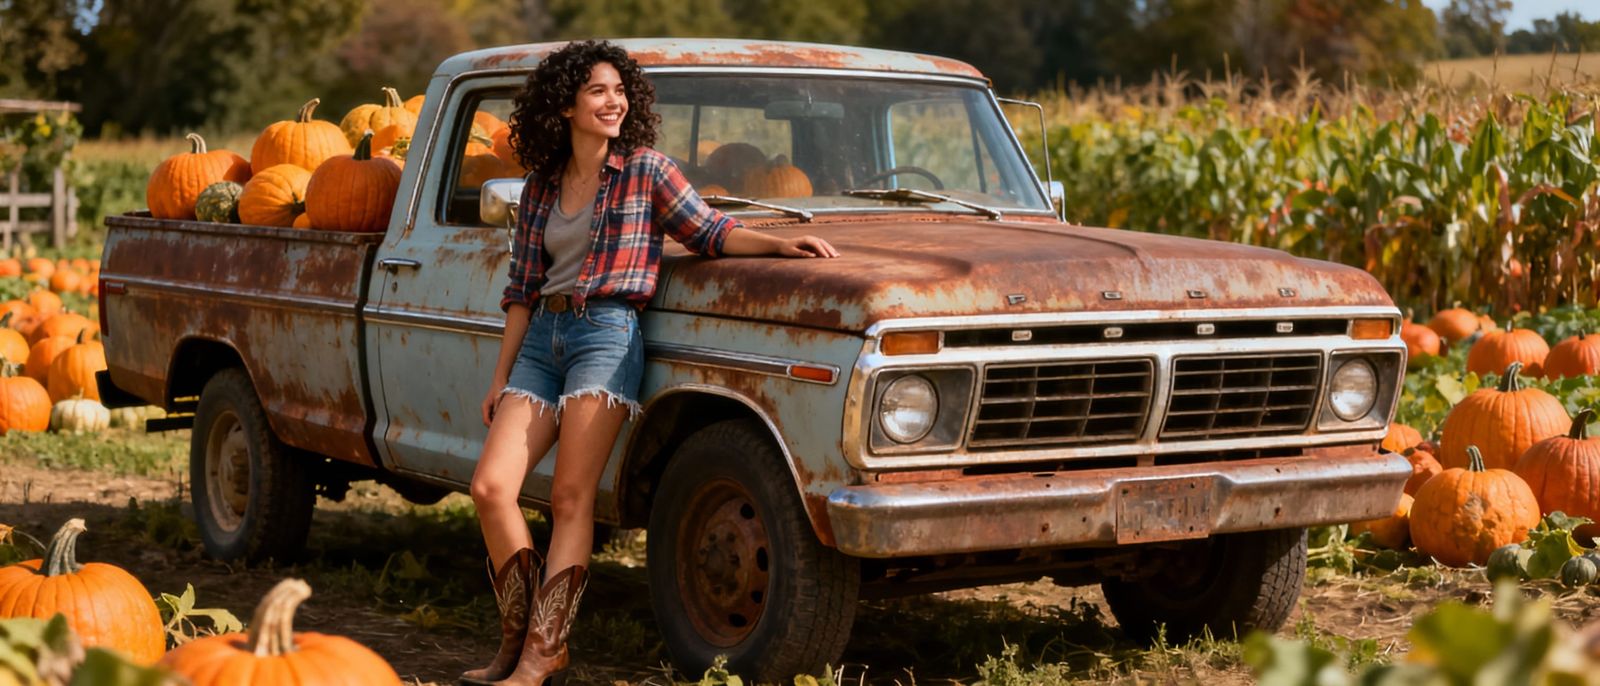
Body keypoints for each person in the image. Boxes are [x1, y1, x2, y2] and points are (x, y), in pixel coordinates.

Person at [462, 40, 839, 686]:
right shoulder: (541, 185)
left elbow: (709, 231)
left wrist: (781, 247)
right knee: (491, 489)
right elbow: (522, 289)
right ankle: (520, 637)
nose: (614, 102)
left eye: (619, 91)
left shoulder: (646, 171)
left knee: (570, 497)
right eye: (597, 92)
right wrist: (501, 376)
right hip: (543, 340)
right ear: (564, 107)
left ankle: (541, 653)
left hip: (606, 337)